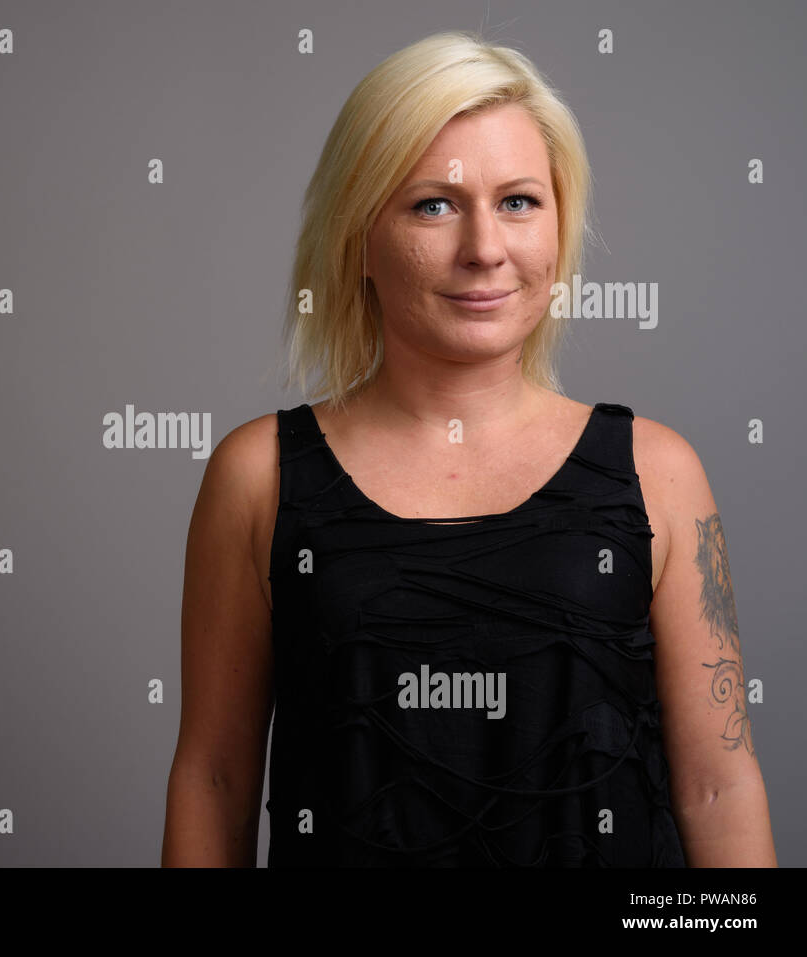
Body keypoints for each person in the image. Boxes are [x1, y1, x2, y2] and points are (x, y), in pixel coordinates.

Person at [161, 31, 776, 867]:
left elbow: (719, 784)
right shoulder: (259, 476)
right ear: (358, 236)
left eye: (520, 200)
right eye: (434, 204)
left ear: (560, 225)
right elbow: (216, 780)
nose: (485, 248)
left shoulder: (658, 472)